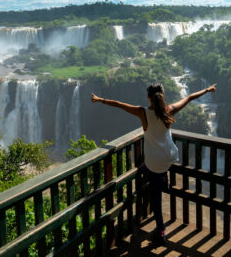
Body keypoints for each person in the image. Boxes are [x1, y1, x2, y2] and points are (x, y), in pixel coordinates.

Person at [91, 82, 216, 245]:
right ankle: (165, 182)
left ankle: (161, 230)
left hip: (153, 162)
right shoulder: (169, 110)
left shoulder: (142, 113)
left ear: (148, 97)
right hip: (169, 157)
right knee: (161, 172)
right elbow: (190, 97)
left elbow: (119, 105)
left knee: (155, 197)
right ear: (162, 95)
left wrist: (100, 99)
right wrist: (208, 89)